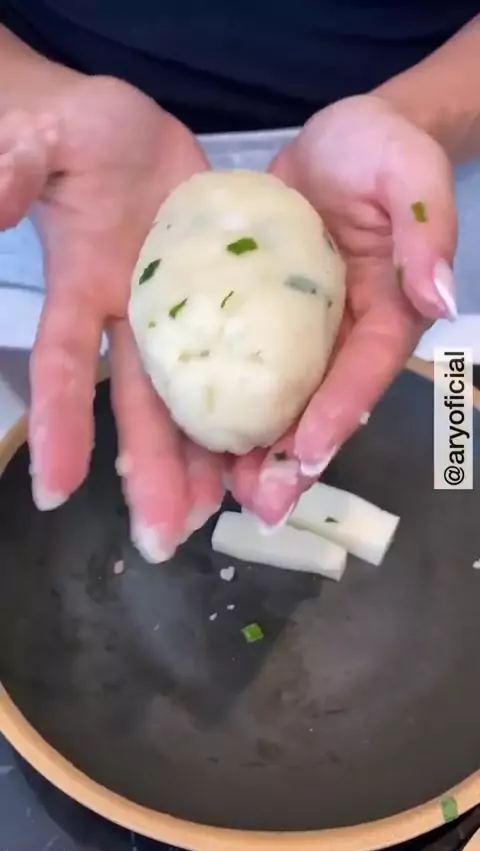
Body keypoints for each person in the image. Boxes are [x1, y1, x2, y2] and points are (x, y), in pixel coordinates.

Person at [0, 4, 478, 562]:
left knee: (452, 429)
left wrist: (425, 113)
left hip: (406, 184)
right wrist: (23, 90)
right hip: (75, 197)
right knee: (52, 417)